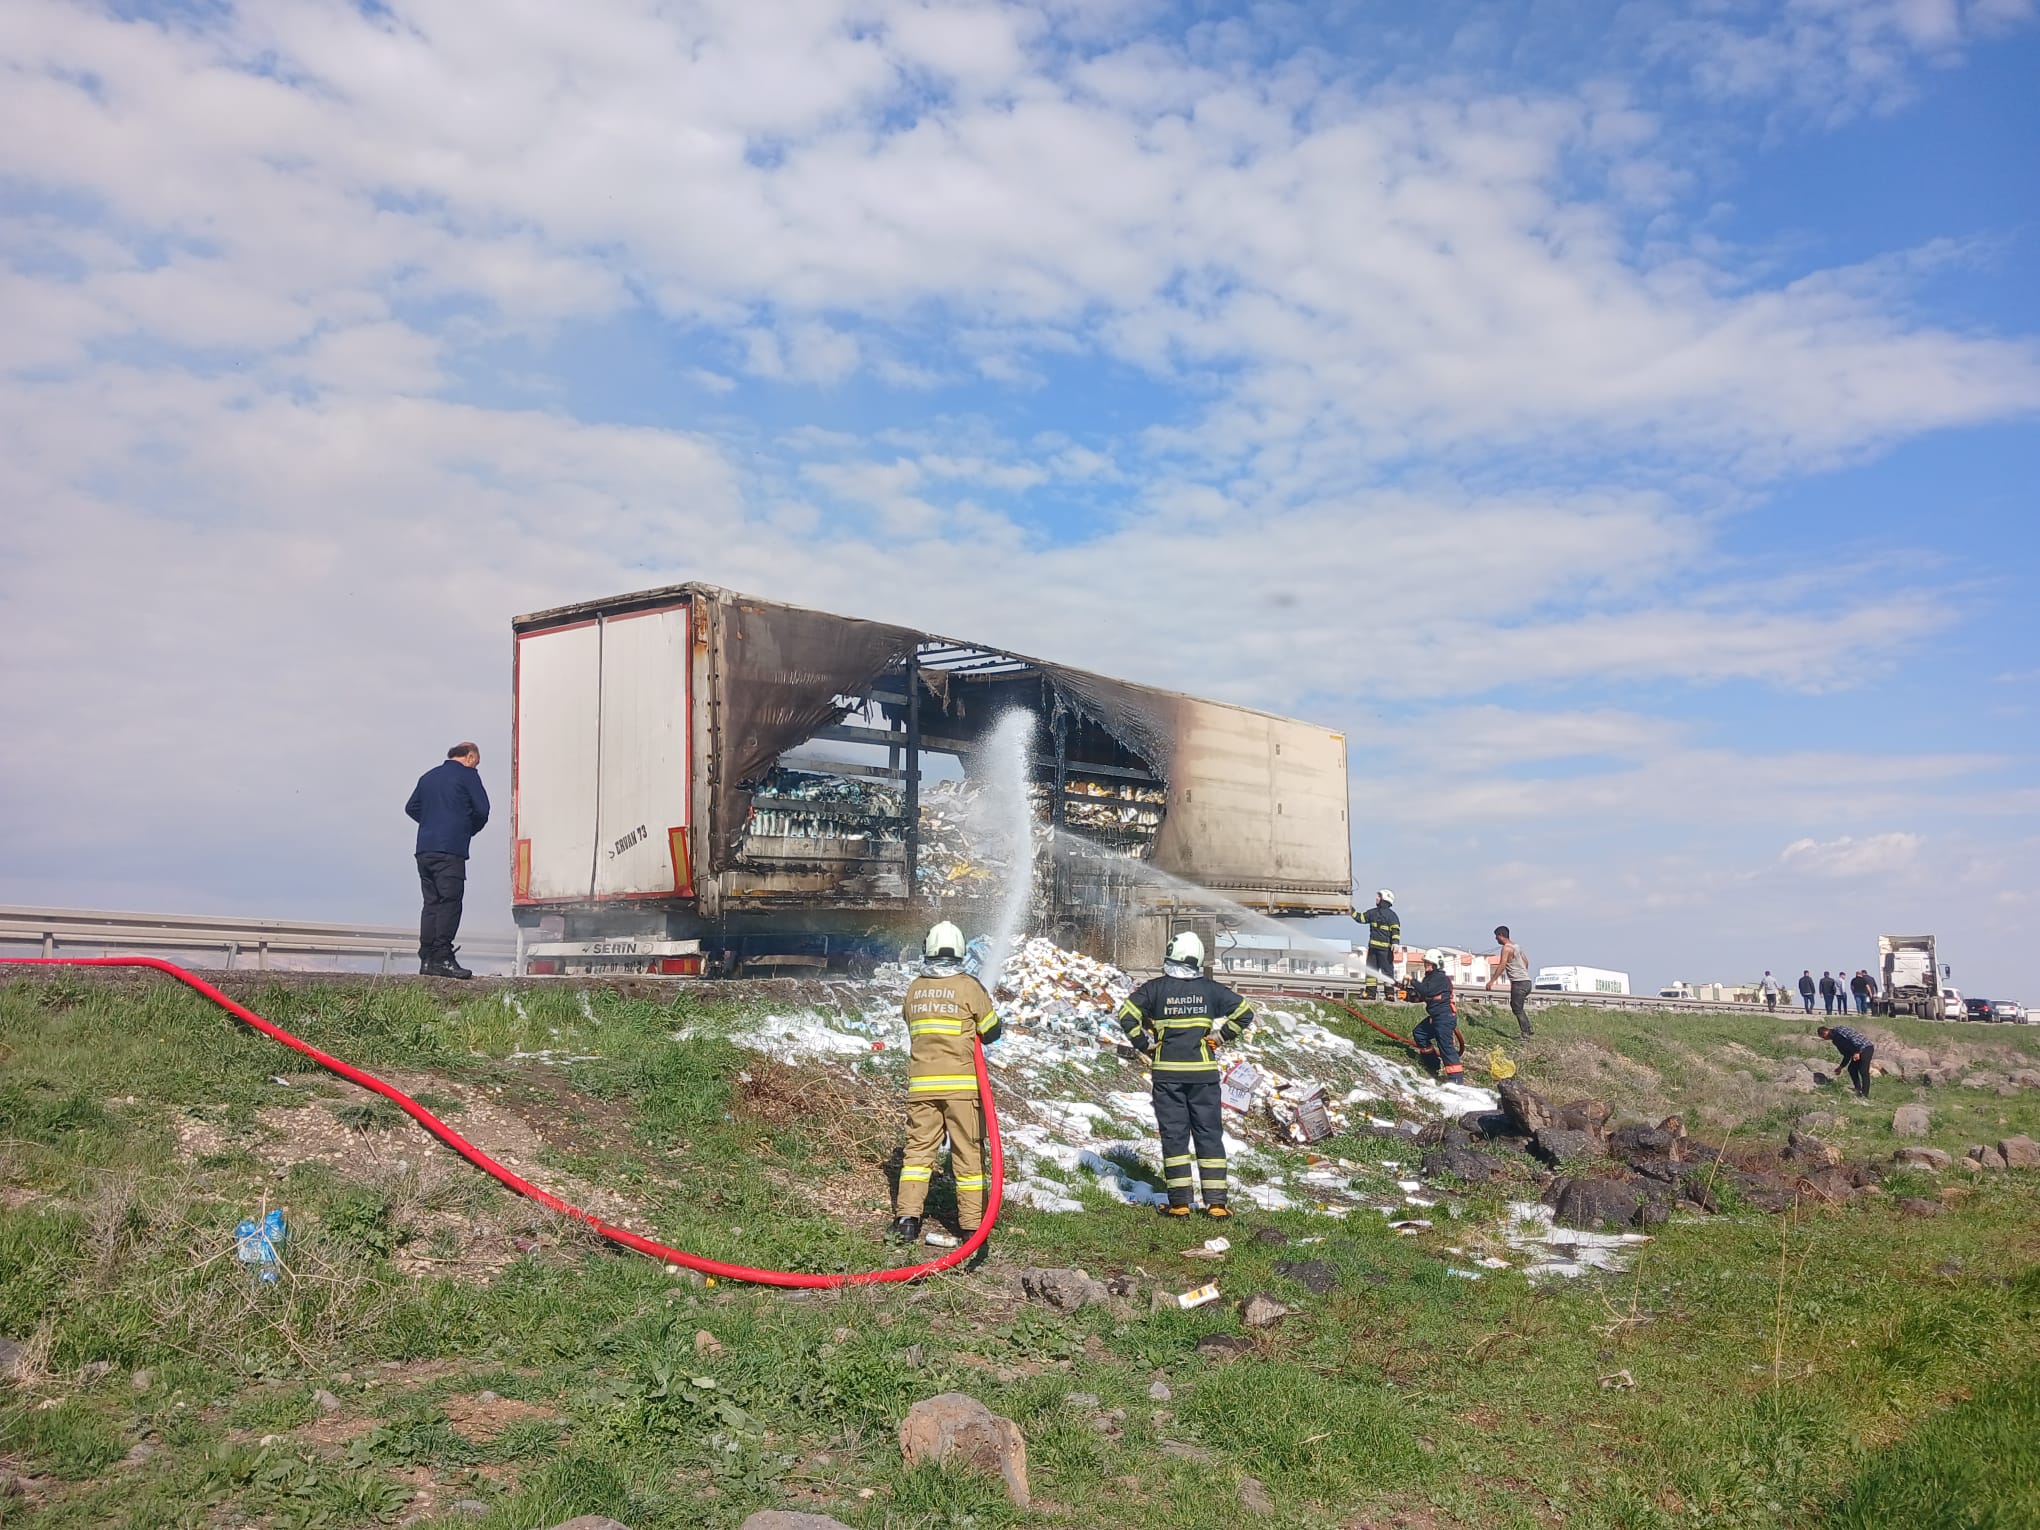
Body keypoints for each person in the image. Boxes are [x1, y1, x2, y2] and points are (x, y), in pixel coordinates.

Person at [1116, 931, 1256, 1219]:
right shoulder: (1211, 990)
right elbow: (1245, 1012)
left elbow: (1125, 1015)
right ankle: (1216, 1203)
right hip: (1203, 1076)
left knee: (1175, 1136)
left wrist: (1144, 1045)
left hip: (1167, 1075)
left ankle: (1179, 1202)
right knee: (1209, 1135)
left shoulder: (1154, 989)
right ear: (1198, 960)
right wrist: (1220, 1036)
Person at [891, 921, 1003, 1245]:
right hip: (961, 1089)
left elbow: (911, 1023)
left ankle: (907, 1222)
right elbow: (992, 1031)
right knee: (968, 1158)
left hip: (921, 1088)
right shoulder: (969, 987)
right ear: (960, 952)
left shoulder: (915, 989)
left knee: (917, 1155)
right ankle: (971, 1227)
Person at [405, 742, 490, 979]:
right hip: (450, 849)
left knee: (431, 903)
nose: (476, 765)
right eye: (477, 761)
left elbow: (411, 807)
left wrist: (433, 821)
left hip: (424, 849)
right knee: (450, 902)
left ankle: (427, 959)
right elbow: (482, 810)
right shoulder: (468, 775)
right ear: (470, 756)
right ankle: (443, 958)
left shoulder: (428, 777)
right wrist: (464, 828)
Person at [1406, 948, 1464, 1082]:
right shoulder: (1429, 978)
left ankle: (1456, 1081)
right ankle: (1432, 1065)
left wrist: (1412, 981)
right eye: (1425, 962)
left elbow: (1426, 990)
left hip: (1444, 1018)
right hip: (1436, 1018)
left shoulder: (1440, 978)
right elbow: (1423, 996)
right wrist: (1408, 996)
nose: (1426, 965)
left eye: (1428, 963)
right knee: (1420, 1034)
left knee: (1446, 1048)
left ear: (1436, 964)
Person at [1486, 925, 1534, 1038]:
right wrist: (1522, 973)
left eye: (1496, 936)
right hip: (1527, 982)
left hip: (1519, 983)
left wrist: (1492, 981)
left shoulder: (1506, 948)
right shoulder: (1517, 946)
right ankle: (1528, 1028)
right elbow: (1526, 962)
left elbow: (1502, 965)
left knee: (1517, 1008)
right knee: (1516, 1006)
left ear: (1501, 935)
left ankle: (1525, 1033)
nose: (1496, 939)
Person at [1352, 890, 1401, 993]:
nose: (1376, 898)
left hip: (1384, 950)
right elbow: (1361, 918)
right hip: (1377, 949)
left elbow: (1395, 930)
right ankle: (1374, 993)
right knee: (1374, 971)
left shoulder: (1391, 916)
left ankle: (1385, 993)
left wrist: (1395, 942)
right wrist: (1350, 910)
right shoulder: (1374, 913)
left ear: (1384, 899)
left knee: (1384, 972)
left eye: (1378, 896)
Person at [1818, 1022, 1875, 1099]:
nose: (1826, 1038)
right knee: (1851, 1069)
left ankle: (1865, 1095)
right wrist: (1840, 1067)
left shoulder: (1840, 1030)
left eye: (1825, 1036)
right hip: (1856, 1052)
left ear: (1826, 1032)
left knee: (1863, 1070)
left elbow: (1853, 1037)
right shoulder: (1836, 1041)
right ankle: (1858, 1089)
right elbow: (1847, 1055)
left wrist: (1858, 1052)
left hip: (1865, 1048)